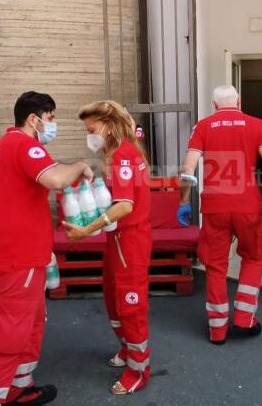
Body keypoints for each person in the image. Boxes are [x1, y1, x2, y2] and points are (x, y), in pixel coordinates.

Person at [0, 91, 92, 406]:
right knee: (8, 338)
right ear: (34, 119)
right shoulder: (23, 146)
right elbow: (54, 179)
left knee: (30, 327)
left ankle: (17, 388)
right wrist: (79, 165)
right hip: (15, 260)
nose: (53, 126)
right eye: (50, 119)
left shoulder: (0, 149)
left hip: (20, 256)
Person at [176, 84, 262, 345]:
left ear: (214, 105)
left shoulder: (203, 126)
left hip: (214, 207)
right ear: (239, 101)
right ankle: (245, 320)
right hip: (248, 205)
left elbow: (188, 167)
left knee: (215, 265)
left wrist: (183, 201)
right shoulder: (257, 125)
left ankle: (217, 330)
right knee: (253, 258)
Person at [63, 100, 152, 395]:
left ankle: (139, 369)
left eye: (92, 129)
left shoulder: (124, 155)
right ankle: (127, 349)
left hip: (131, 240)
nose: (89, 135)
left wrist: (87, 230)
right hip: (117, 239)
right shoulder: (114, 153)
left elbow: (125, 206)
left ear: (109, 127)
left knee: (130, 302)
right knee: (113, 297)